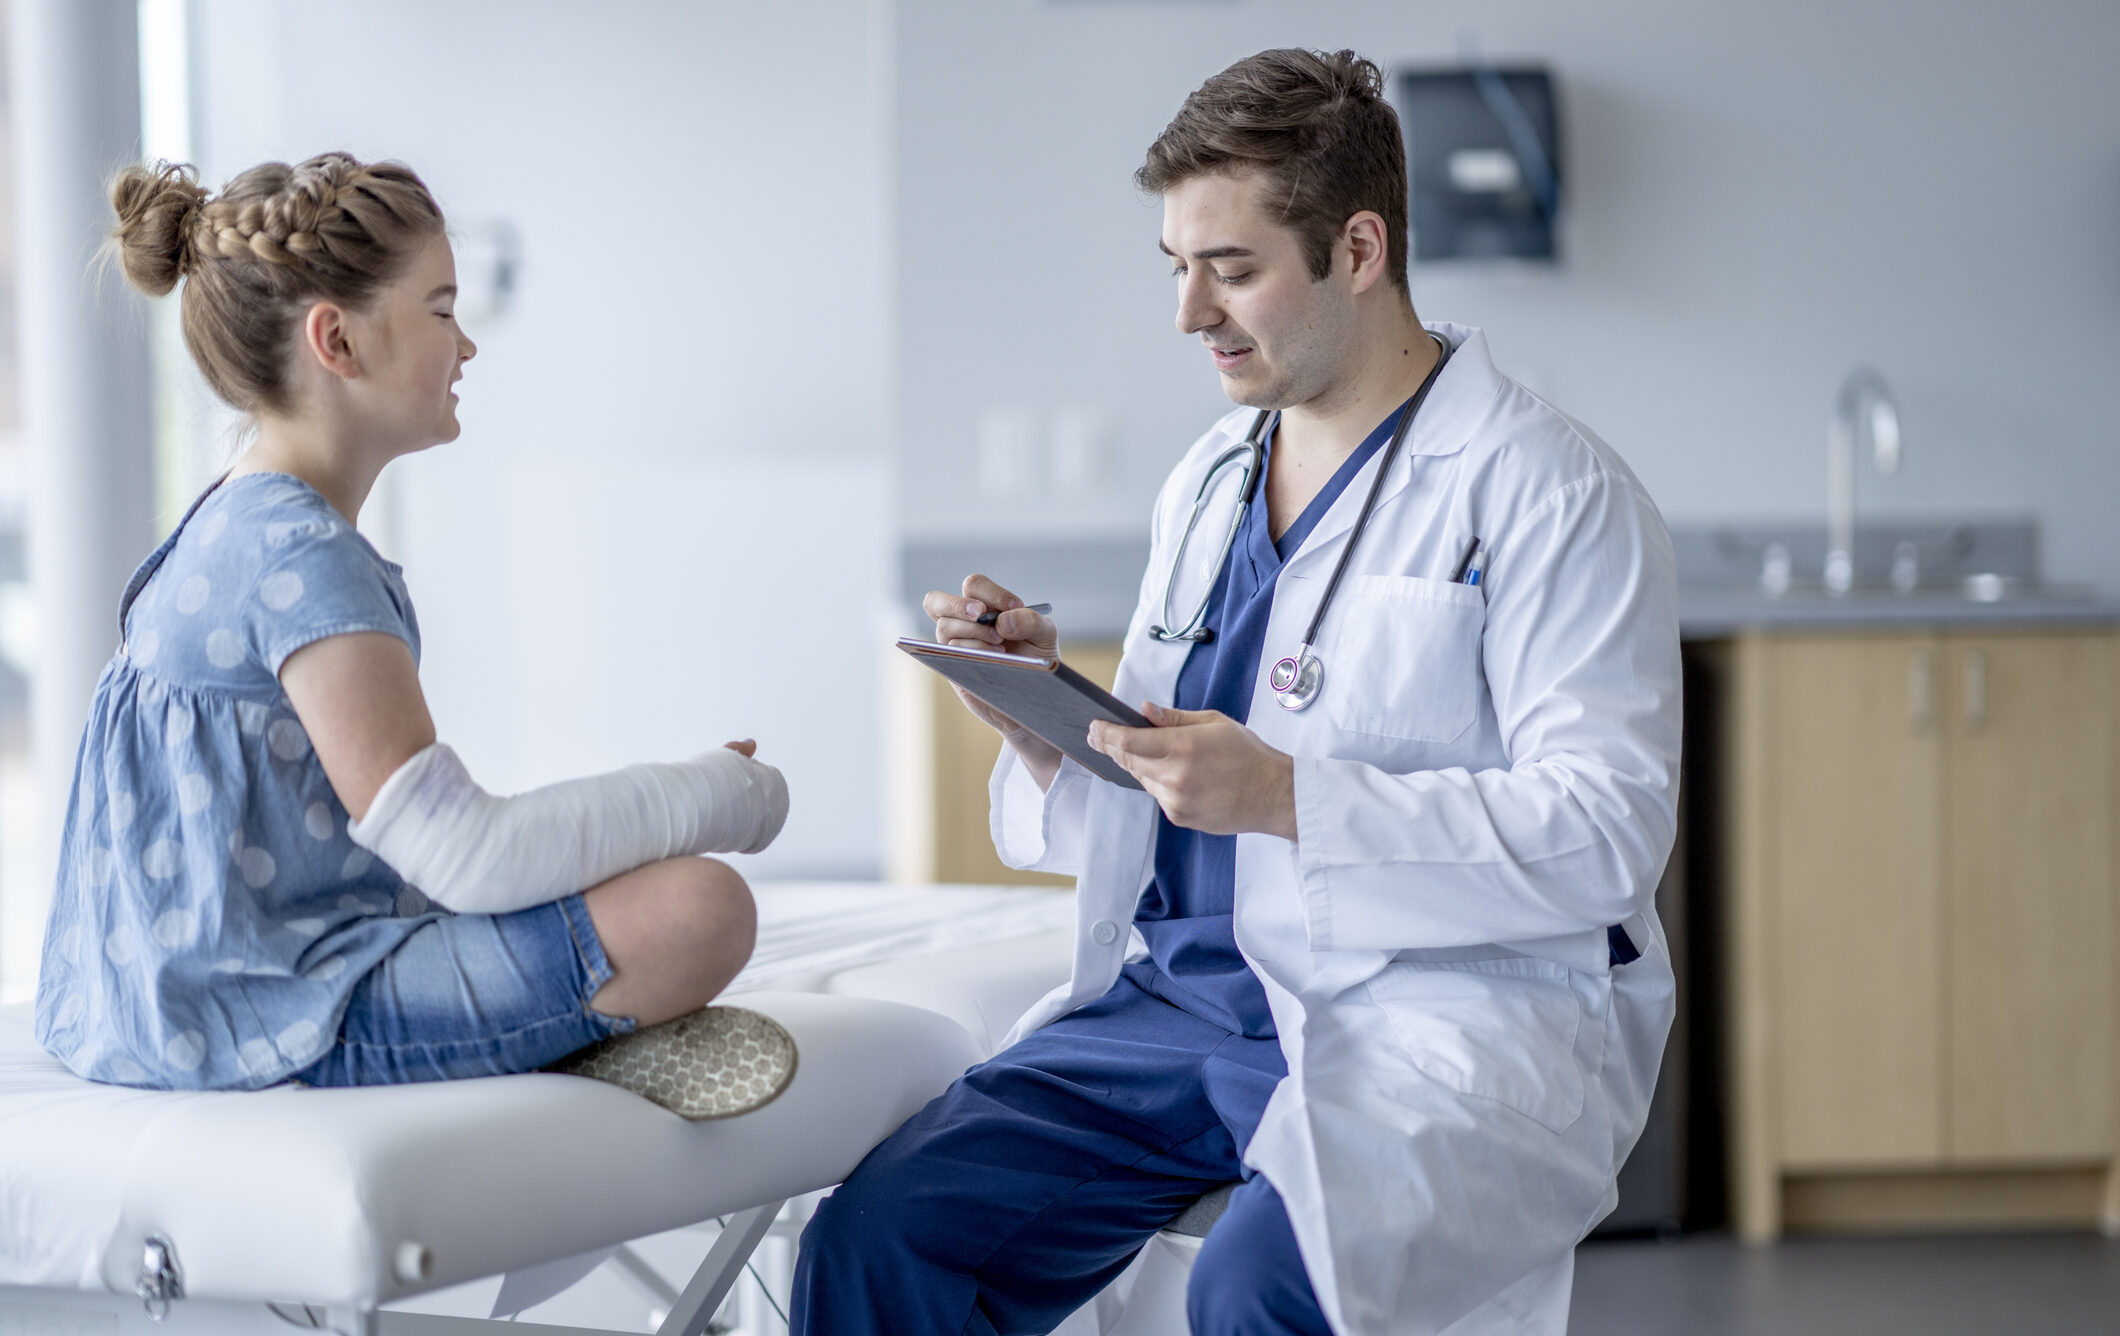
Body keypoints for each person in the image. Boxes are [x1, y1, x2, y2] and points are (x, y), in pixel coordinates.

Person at [792, 49, 1680, 1335]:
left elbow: (1604, 838)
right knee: (880, 1242)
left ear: (1358, 250)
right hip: (1177, 1006)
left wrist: (1287, 798)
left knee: (1259, 1287)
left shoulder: (1548, 493)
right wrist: (1048, 725)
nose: (1188, 313)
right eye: (1175, 267)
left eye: (1232, 268)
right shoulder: (1209, 478)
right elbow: (1167, 777)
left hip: (1428, 1008)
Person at [36, 154, 790, 1099]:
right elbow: (466, 853)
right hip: (252, 1010)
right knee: (700, 907)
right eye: (440, 310)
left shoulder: (236, 521)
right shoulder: (297, 558)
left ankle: (560, 1022)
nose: (466, 346)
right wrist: (717, 796)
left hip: (156, 1000)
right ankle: (559, 1035)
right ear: (337, 341)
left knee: (648, 891)